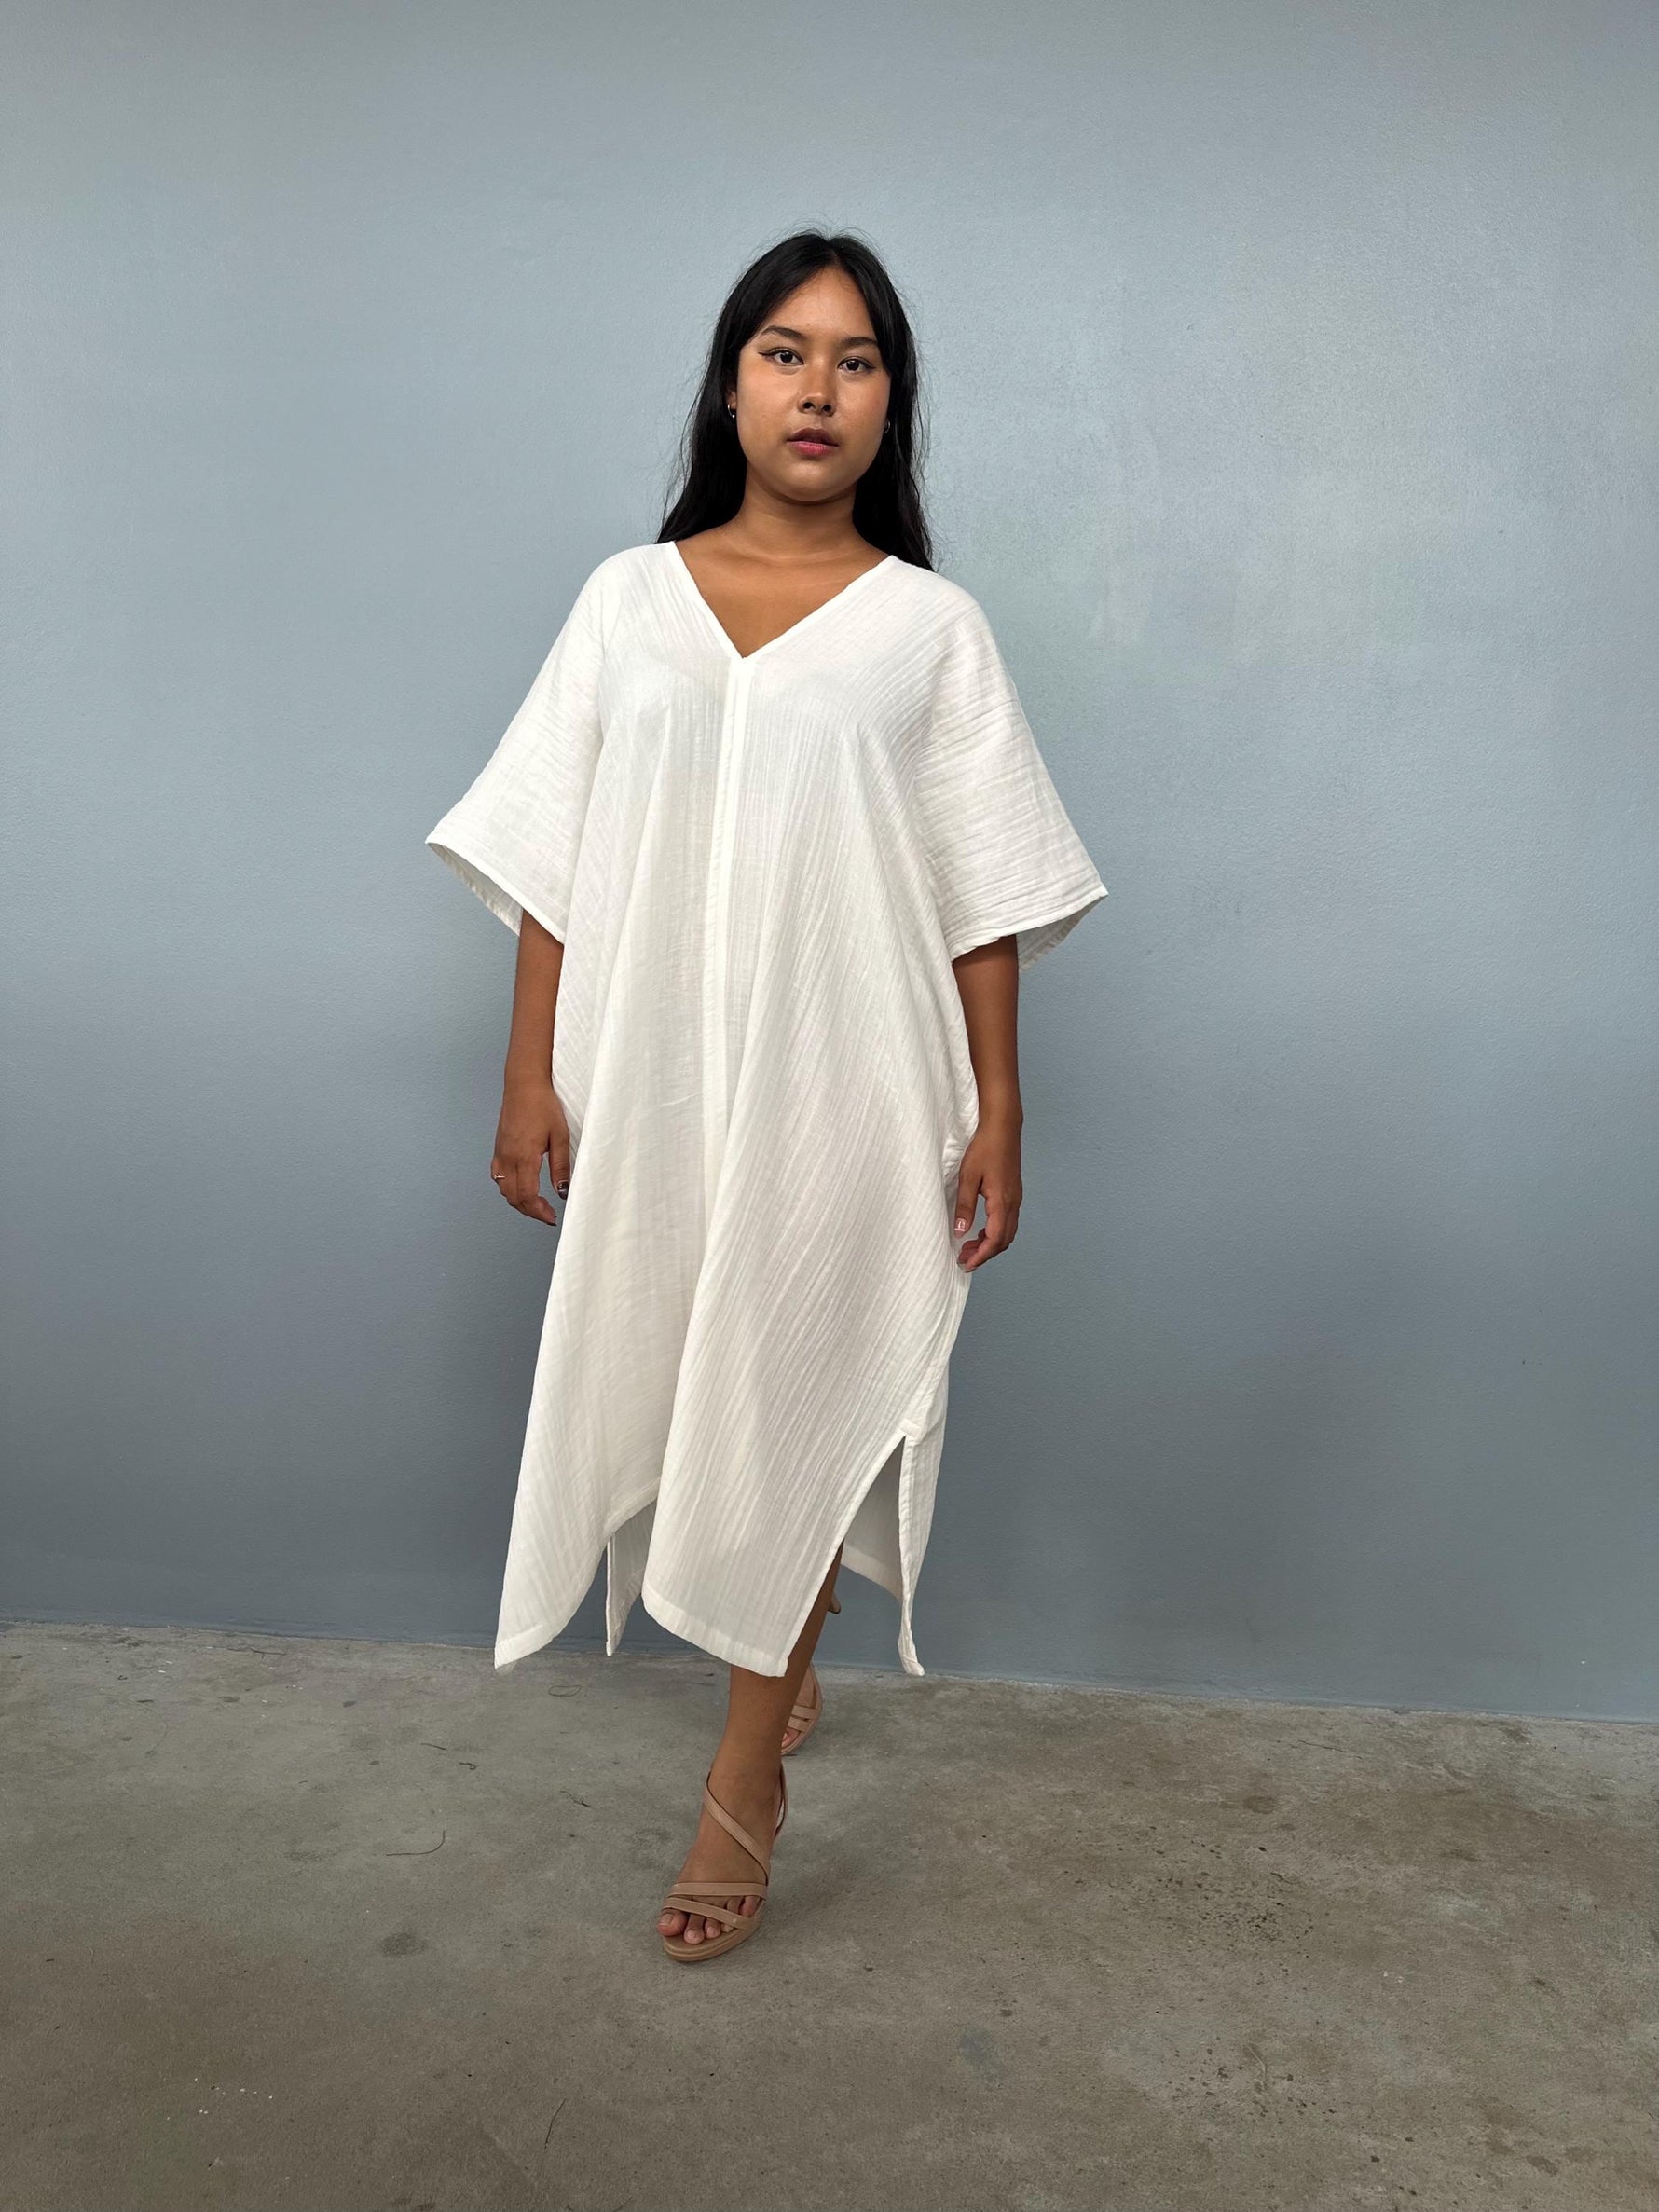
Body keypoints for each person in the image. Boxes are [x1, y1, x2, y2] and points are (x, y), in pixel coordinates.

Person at [425, 229, 1107, 1961]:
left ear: (891, 404)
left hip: (853, 1077)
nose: (820, 388)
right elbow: (553, 856)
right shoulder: (627, 602)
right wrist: (526, 1071)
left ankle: (743, 1780)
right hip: (654, 1078)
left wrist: (1001, 1106)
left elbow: (983, 891)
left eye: (858, 360)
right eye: (786, 353)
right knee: (685, 1364)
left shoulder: (930, 632)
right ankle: (780, 1642)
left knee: (793, 1376)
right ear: (730, 386)